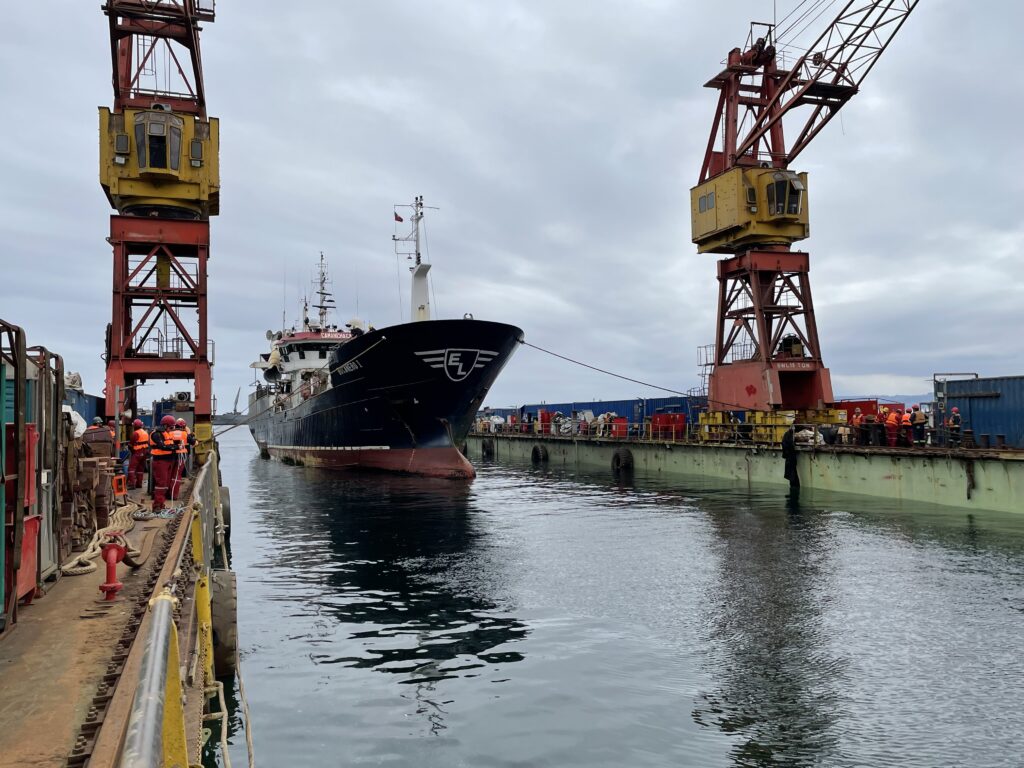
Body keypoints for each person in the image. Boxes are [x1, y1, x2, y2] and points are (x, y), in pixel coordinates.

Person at [149, 415, 180, 511]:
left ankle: (161, 504)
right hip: (160, 461)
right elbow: (162, 446)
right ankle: (157, 505)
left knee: (165, 483)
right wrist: (176, 447)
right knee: (161, 484)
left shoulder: (166, 433)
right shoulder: (156, 434)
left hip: (168, 460)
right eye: (171, 427)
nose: (172, 429)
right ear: (165, 425)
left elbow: (169, 444)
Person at [128, 418, 150, 489]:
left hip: (137, 452)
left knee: (131, 468)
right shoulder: (145, 432)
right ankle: (139, 484)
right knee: (140, 469)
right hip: (145, 452)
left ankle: (132, 484)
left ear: (134, 426)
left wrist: (132, 450)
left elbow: (131, 444)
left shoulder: (135, 433)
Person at [781, 425, 799, 494]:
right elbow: (790, 444)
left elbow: (785, 444)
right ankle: (794, 486)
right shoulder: (789, 435)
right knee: (792, 473)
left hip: (789, 456)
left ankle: (793, 486)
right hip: (791, 456)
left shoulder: (787, 435)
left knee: (791, 473)